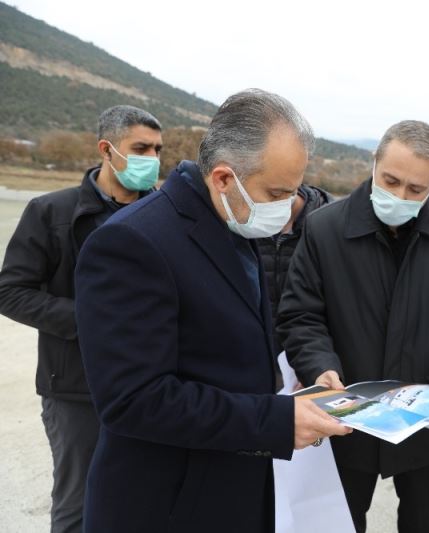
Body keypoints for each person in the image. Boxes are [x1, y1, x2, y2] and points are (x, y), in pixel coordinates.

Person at [73, 89, 350, 533]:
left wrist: (294, 380)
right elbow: (134, 400)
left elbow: (224, 345)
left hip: (228, 489)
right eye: (277, 192)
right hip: (168, 504)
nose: (286, 208)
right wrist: (275, 421)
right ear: (223, 178)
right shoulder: (133, 242)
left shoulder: (232, 222)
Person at [277, 120, 429, 533]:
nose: (400, 196)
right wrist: (319, 366)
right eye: (390, 180)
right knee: (343, 517)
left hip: (423, 417)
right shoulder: (325, 228)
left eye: (416, 189)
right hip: (349, 413)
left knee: (419, 511)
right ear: (374, 162)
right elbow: (302, 314)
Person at [0, 105, 162, 533]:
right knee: (79, 504)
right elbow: (10, 291)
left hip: (150, 384)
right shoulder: (50, 212)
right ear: (107, 150)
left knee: (141, 497)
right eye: (141, 148)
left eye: (158, 149)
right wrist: (91, 322)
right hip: (75, 389)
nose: (153, 158)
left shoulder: (164, 215)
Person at [256, 180, 333, 358]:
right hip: (252, 364)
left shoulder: (331, 227)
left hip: (312, 362)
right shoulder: (237, 220)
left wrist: (315, 365)